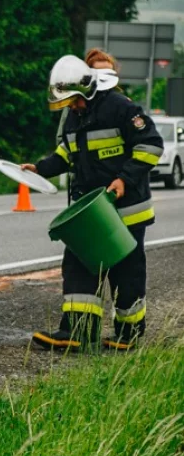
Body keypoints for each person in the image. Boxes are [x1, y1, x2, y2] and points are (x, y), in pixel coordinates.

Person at [22, 54, 163, 351]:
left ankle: (128, 334)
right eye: (68, 102)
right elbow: (66, 153)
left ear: (87, 89)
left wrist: (124, 178)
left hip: (126, 212)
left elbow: (151, 145)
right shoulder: (75, 117)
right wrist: (41, 168)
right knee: (78, 265)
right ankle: (77, 332)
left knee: (127, 271)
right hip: (90, 211)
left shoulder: (121, 108)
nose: (71, 107)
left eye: (74, 100)